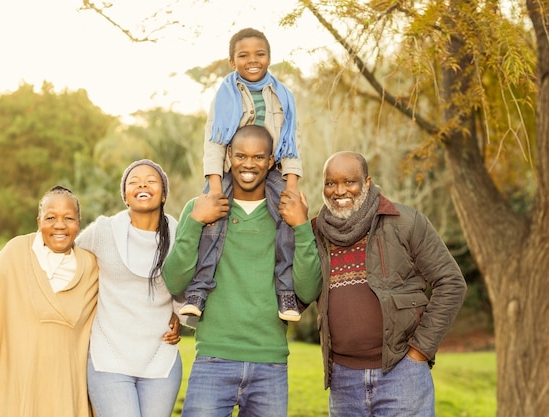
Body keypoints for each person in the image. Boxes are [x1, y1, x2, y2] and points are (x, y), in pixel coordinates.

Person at [163, 125, 322, 416]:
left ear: (272, 160)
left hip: (270, 363)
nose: (248, 164)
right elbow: (174, 280)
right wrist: (196, 221)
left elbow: (308, 290)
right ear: (228, 156)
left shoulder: (289, 214)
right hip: (213, 358)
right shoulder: (199, 208)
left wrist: (301, 226)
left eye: (258, 157)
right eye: (240, 155)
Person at [312, 151, 467, 417]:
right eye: (330, 183)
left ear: (368, 182)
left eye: (350, 181)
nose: (339, 191)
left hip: (401, 374)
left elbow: (451, 282)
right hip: (343, 379)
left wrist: (420, 351)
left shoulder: (404, 222)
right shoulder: (316, 232)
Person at [178, 27, 304, 321]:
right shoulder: (224, 96)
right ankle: (198, 291)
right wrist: (214, 187)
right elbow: (214, 140)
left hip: (269, 169)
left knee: (287, 219)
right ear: (232, 61)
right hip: (229, 169)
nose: (252, 60)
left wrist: (292, 185)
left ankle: (286, 294)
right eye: (243, 55)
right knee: (214, 221)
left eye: (260, 54)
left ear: (269, 57)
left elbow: (293, 141)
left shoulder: (283, 96)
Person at [0, 186, 99, 416]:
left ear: (79, 223)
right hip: (12, 384)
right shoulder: (14, 252)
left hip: (64, 388)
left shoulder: (92, 267)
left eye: (69, 218)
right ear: (38, 221)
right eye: (50, 217)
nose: (60, 225)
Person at [76, 159, 189, 417]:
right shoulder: (104, 230)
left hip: (161, 358)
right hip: (109, 358)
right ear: (125, 195)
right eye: (134, 182)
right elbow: (63, 256)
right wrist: (5, 262)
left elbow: (190, 284)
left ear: (163, 194)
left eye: (151, 181)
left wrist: (179, 314)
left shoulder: (180, 235)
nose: (143, 185)